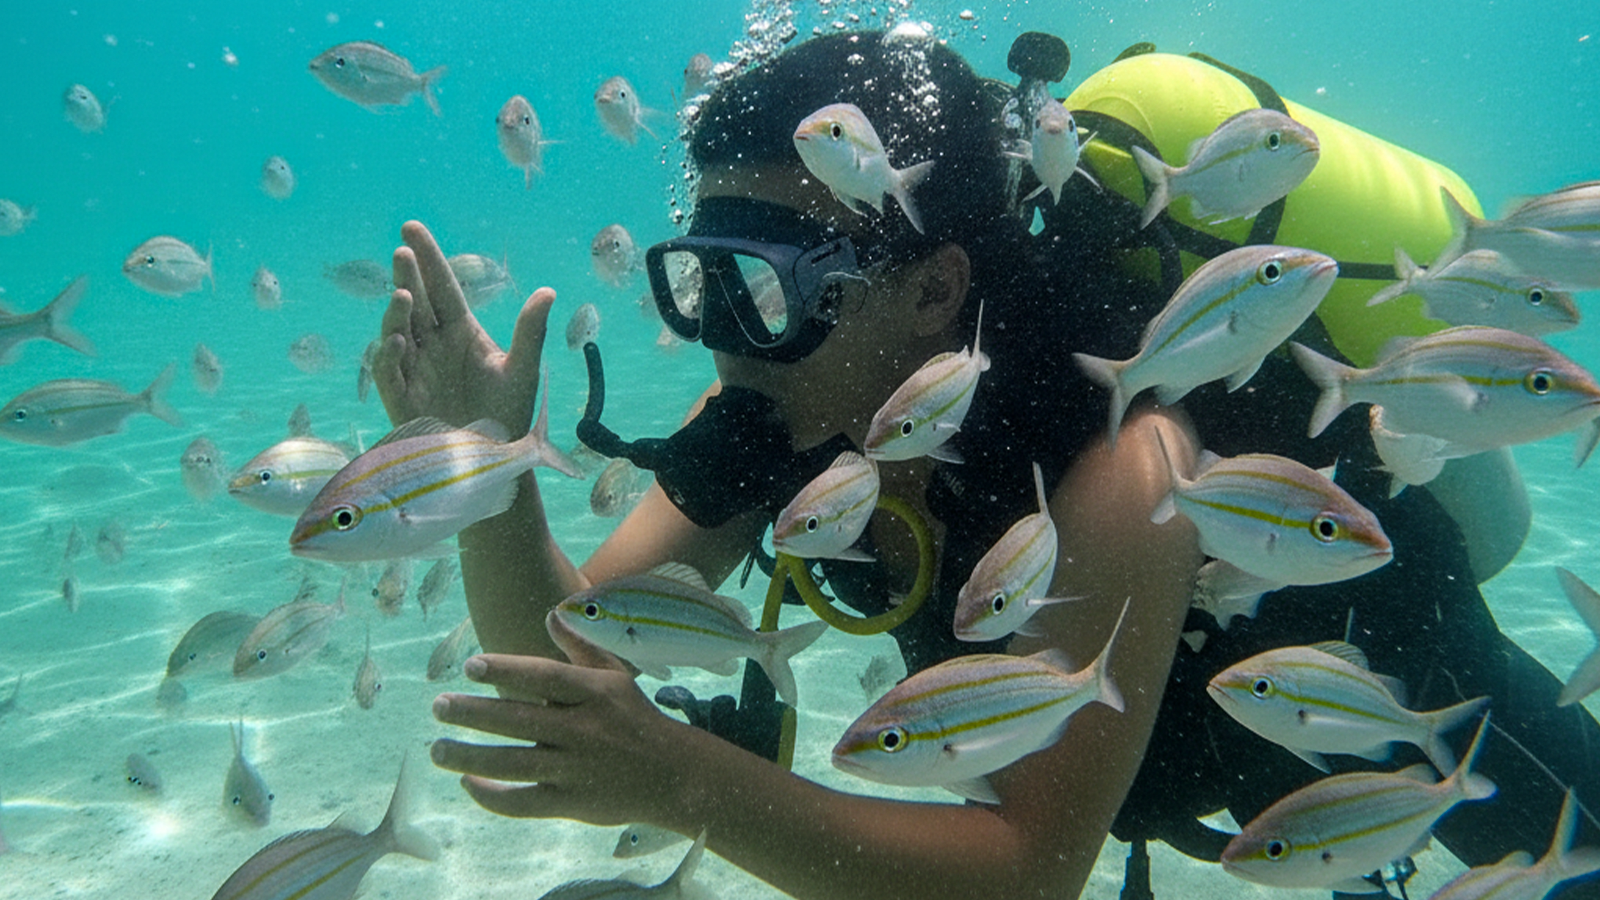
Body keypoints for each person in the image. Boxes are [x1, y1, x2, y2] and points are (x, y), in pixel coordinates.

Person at [374, 30, 1600, 900]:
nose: (725, 337)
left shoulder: (1125, 457)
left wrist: (680, 782)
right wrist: (483, 469)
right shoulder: (773, 405)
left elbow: (1027, 872)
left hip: (1404, 711)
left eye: (770, 289)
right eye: (704, 280)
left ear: (932, 290)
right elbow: (558, 673)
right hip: (1185, 773)